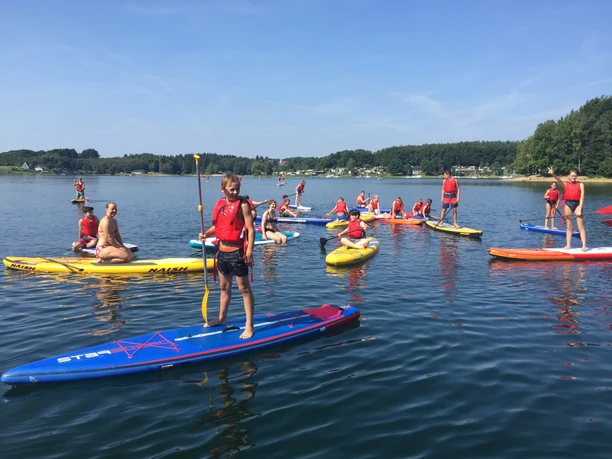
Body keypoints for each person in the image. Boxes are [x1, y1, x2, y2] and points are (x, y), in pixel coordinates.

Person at [198, 173, 255, 339]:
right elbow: (218, 227)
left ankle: (249, 325)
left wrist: (249, 250)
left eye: (237, 189)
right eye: (232, 189)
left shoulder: (243, 205)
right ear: (223, 189)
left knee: (244, 289)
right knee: (224, 288)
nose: (235, 192)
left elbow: (250, 229)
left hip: (237, 252)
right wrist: (206, 234)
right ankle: (221, 318)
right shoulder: (220, 205)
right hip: (221, 252)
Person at [549, 167, 586, 251]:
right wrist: (553, 174)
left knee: (580, 225)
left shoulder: (581, 184)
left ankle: (583, 245)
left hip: (577, 205)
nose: (573, 177)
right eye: (572, 176)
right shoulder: (565, 184)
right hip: (568, 204)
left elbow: (582, 197)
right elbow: (559, 180)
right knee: (569, 226)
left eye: (575, 176)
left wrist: (580, 208)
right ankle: (568, 245)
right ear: (569, 176)